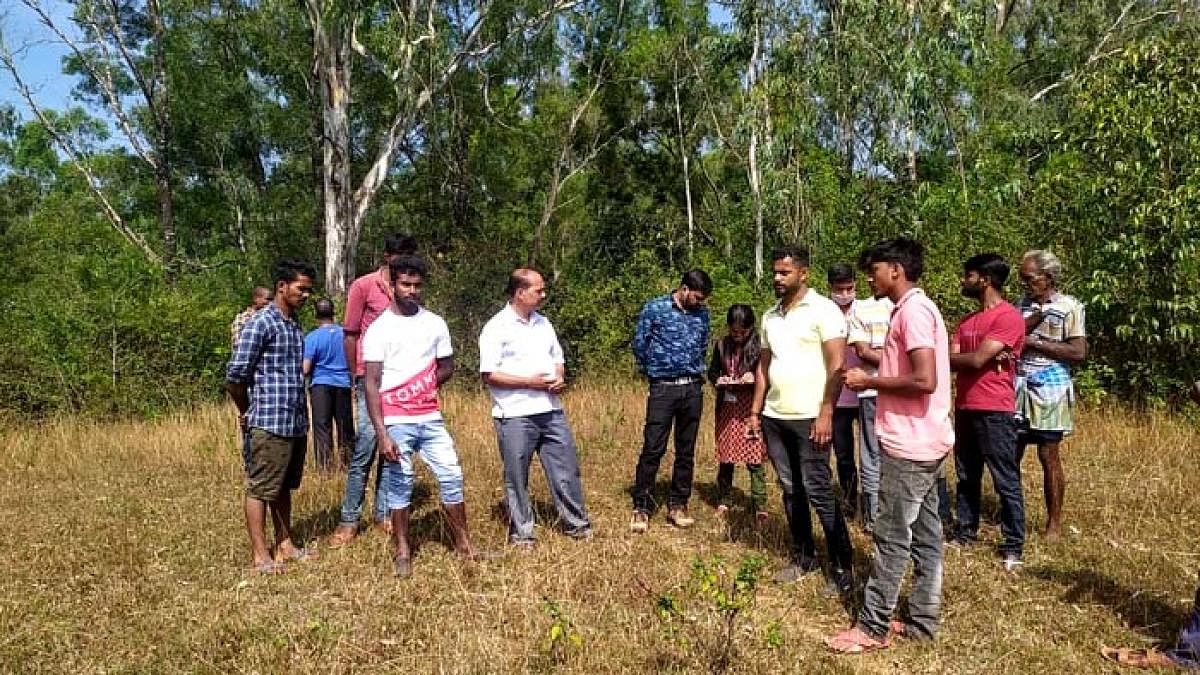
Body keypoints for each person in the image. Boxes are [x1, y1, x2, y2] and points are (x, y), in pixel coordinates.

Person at [825, 237, 954, 653]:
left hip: (910, 444)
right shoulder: (915, 309)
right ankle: (921, 622)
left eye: (875, 268)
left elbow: (924, 380)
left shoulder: (914, 311)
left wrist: (868, 380)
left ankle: (872, 626)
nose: (869, 276)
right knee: (927, 534)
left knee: (892, 536)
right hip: (926, 439)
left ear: (896, 269)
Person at [362, 255, 489, 578]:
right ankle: (402, 550)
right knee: (400, 484)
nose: (412, 290)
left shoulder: (435, 323)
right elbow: (371, 384)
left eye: (417, 285)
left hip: (430, 418)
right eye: (405, 284)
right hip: (395, 421)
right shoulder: (378, 330)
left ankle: (464, 545)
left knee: (451, 476)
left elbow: (447, 365)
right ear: (391, 285)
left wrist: (425, 385)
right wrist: (381, 433)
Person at [746, 245, 853, 597]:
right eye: (775, 272)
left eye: (784, 273)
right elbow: (763, 366)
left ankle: (842, 566)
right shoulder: (769, 317)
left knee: (819, 490)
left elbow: (838, 366)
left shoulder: (824, 311)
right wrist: (755, 412)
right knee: (791, 490)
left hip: (811, 417)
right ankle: (804, 556)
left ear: (803, 273)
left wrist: (826, 413)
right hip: (776, 417)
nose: (777, 278)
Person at [479, 268, 592, 548]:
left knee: (566, 469)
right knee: (517, 476)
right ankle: (523, 534)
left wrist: (559, 377)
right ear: (520, 292)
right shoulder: (496, 327)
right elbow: (489, 374)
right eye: (538, 290)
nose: (543, 295)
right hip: (515, 415)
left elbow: (557, 358)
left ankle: (577, 525)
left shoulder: (544, 323)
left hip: (551, 410)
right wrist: (529, 383)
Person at [226, 260, 318, 574]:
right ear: (282, 286)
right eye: (300, 288)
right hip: (267, 421)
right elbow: (235, 376)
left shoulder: (292, 324)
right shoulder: (261, 323)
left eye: (308, 290)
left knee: (282, 487)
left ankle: (285, 545)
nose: (306, 295)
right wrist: (246, 411)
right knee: (260, 487)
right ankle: (260, 555)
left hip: (293, 421)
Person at [330, 233, 419, 548]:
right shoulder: (364, 287)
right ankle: (349, 518)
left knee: (392, 449)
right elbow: (351, 333)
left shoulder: (409, 290)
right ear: (386, 256)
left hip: (400, 383)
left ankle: (383, 513)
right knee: (366, 447)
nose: (404, 262)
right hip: (369, 379)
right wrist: (357, 374)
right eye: (399, 255)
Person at [948, 253, 1027, 570]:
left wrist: (969, 357)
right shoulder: (966, 322)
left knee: (1004, 477)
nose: (963, 281)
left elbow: (975, 360)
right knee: (966, 475)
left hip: (995, 408)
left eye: (968, 275)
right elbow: (955, 358)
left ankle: (1013, 545)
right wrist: (973, 356)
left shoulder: (1008, 317)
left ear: (985, 279)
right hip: (965, 406)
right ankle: (965, 532)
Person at [629, 270, 713, 532]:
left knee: (686, 451)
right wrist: (654, 370)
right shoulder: (655, 309)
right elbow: (639, 344)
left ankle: (678, 504)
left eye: (703, 300)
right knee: (653, 447)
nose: (700, 303)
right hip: (663, 388)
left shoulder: (702, 314)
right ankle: (641, 506)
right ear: (684, 289)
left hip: (692, 388)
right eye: (697, 297)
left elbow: (703, 344)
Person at [1016, 249, 1087, 540]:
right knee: (1011, 452)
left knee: (1048, 454)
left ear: (1047, 277)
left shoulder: (1069, 307)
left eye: (1029, 278)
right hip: (1019, 384)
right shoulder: (1019, 305)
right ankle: (1013, 516)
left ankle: (1054, 524)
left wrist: (1036, 343)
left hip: (1051, 387)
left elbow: (1078, 351)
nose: (1025, 284)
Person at [706, 304, 767, 527]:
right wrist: (718, 380)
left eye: (743, 332)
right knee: (726, 455)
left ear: (751, 328)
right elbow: (712, 371)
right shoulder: (721, 345)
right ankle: (724, 498)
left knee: (755, 457)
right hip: (727, 408)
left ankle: (760, 504)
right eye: (734, 331)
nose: (738, 336)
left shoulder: (760, 347)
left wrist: (754, 376)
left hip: (751, 407)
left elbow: (768, 377)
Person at [846, 266, 894, 533]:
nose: (868, 278)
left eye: (874, 271)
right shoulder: (860, 308)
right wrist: (904, 363)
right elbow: (863, 351)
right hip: (873, 392)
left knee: (896, 454)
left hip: (901, 390)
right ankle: (874, 517)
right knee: (873, 453)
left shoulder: (908, 307)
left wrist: (883, 354)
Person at [828, 264, 862, 523]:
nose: (845, 293)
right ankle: (849, 499)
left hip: (866, 393)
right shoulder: (824, 313)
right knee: (843, 453)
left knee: (873, 453)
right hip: (838, 397)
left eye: (849, 288)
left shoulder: (866, 309)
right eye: (839, 289)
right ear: (831, 289)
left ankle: (872, 501)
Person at [303, 298, 354, 473]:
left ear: (316, 314)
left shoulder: (312, 337)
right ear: (333, 312)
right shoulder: (345, 335)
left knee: (322, 427)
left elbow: (305, 368)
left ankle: (325, 469)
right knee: (345, 427)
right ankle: (348, 465)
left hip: (320, 386)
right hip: (343, 384)